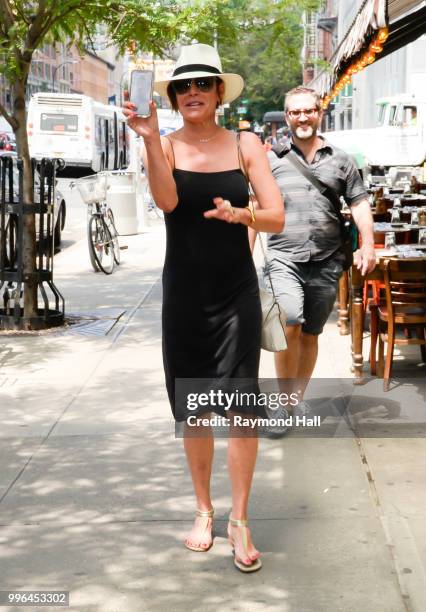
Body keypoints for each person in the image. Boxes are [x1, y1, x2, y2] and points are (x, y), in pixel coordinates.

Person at [123, 43, 284, 572]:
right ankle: (203, 510)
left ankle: (239, 520)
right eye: (183, 86)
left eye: (202, 84)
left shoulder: (246, 144)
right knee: (194, 408)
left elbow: (277, 217)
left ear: (218, 92)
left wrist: (243, 216)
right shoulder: (165, 145)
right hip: (186, 296)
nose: (192, 92)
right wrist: (149, 141)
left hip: (235, 293)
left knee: (240, 408)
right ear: (173, 97)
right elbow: (168, 203)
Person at [258, 86, 375, 426]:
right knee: (289, 321)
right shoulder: (271, 160)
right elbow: (256, 207)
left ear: (319, 113)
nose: (302, 117)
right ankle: (282, 403)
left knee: (311, 333)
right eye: (295, 112)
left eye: (308, 110)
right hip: (284, 257)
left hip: (327, 259)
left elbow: (359, 203)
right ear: (287, 116)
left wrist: (367, 244)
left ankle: (294, 402)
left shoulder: (341, 160)